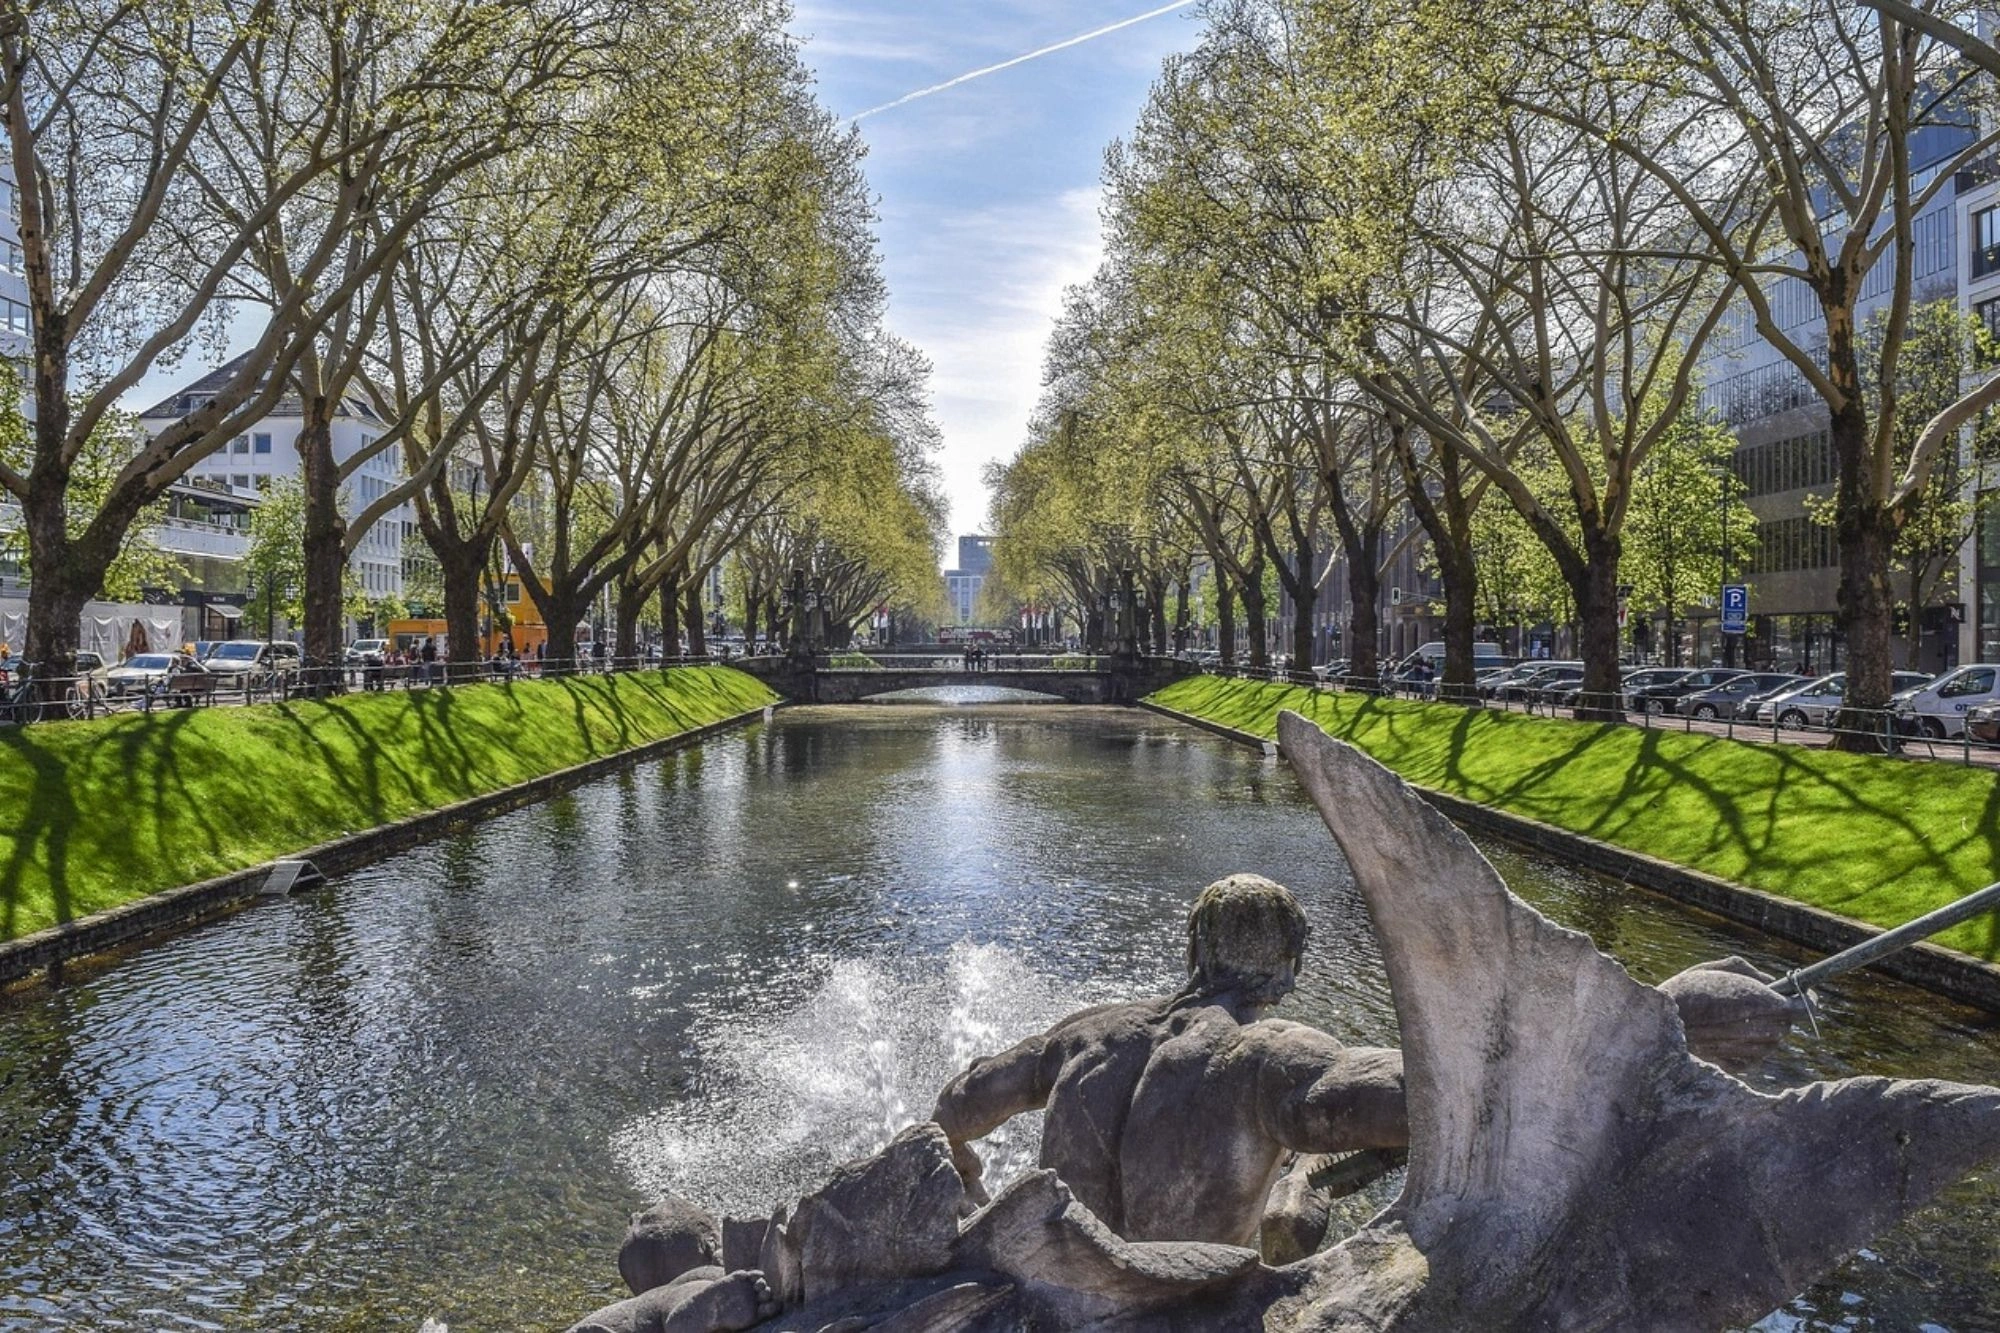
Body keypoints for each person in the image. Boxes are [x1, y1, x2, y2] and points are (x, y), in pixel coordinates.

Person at [932, 874, 1800, 1258]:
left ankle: (1293, 1195)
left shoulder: (1085, 1034)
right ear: (1295, 966)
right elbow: (1451, 1090)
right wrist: (1668, 1016)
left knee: (1295, 1193)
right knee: (1302, 1207)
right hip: (1175, 1313)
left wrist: (966, 1169)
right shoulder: (1268, 1061)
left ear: (1190, 947)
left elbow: (957, 1105)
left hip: (1039, 1305)